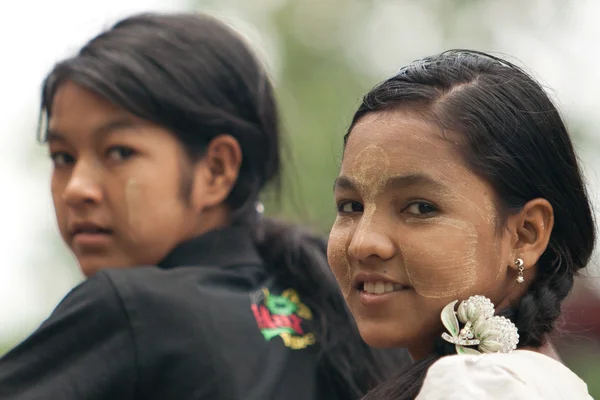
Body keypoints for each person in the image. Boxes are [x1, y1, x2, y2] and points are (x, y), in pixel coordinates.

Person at [0, 12, 408, 399]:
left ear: (216, 169)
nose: (76, 189)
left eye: (119, 152)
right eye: (61, 157)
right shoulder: (346, 314)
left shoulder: (130, 308)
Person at [327, 49, 594, 399]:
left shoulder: (477, 388)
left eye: (420, 208)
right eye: (351, 206)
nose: (363, 243)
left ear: (526, 235)